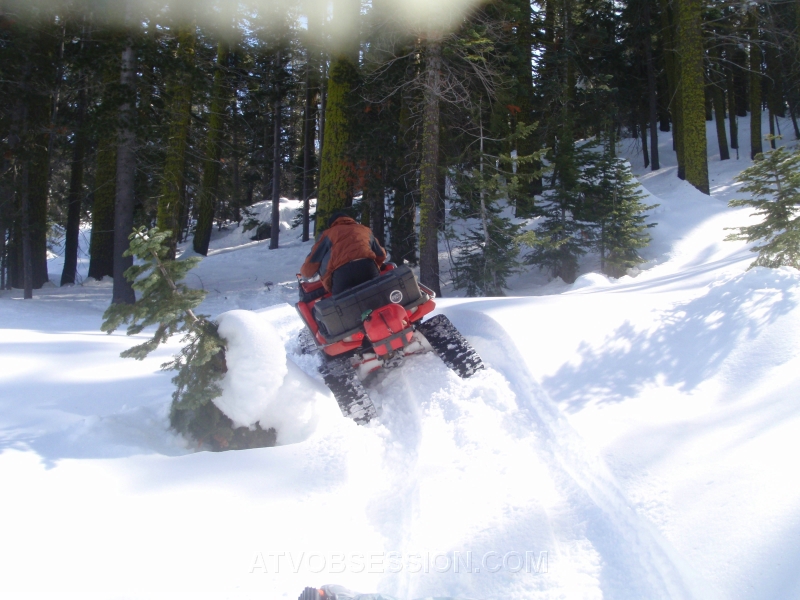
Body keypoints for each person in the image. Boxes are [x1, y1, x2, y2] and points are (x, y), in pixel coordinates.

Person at [301, 212, 387, 295]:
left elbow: (313, 260)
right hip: (368, 267)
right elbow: (381, 254)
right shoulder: (364, 230)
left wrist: (305, 274)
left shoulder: (329, 234)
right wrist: (377, 266)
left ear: (332, 224)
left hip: (342, 274)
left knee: (343, 305)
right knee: (378, 297)